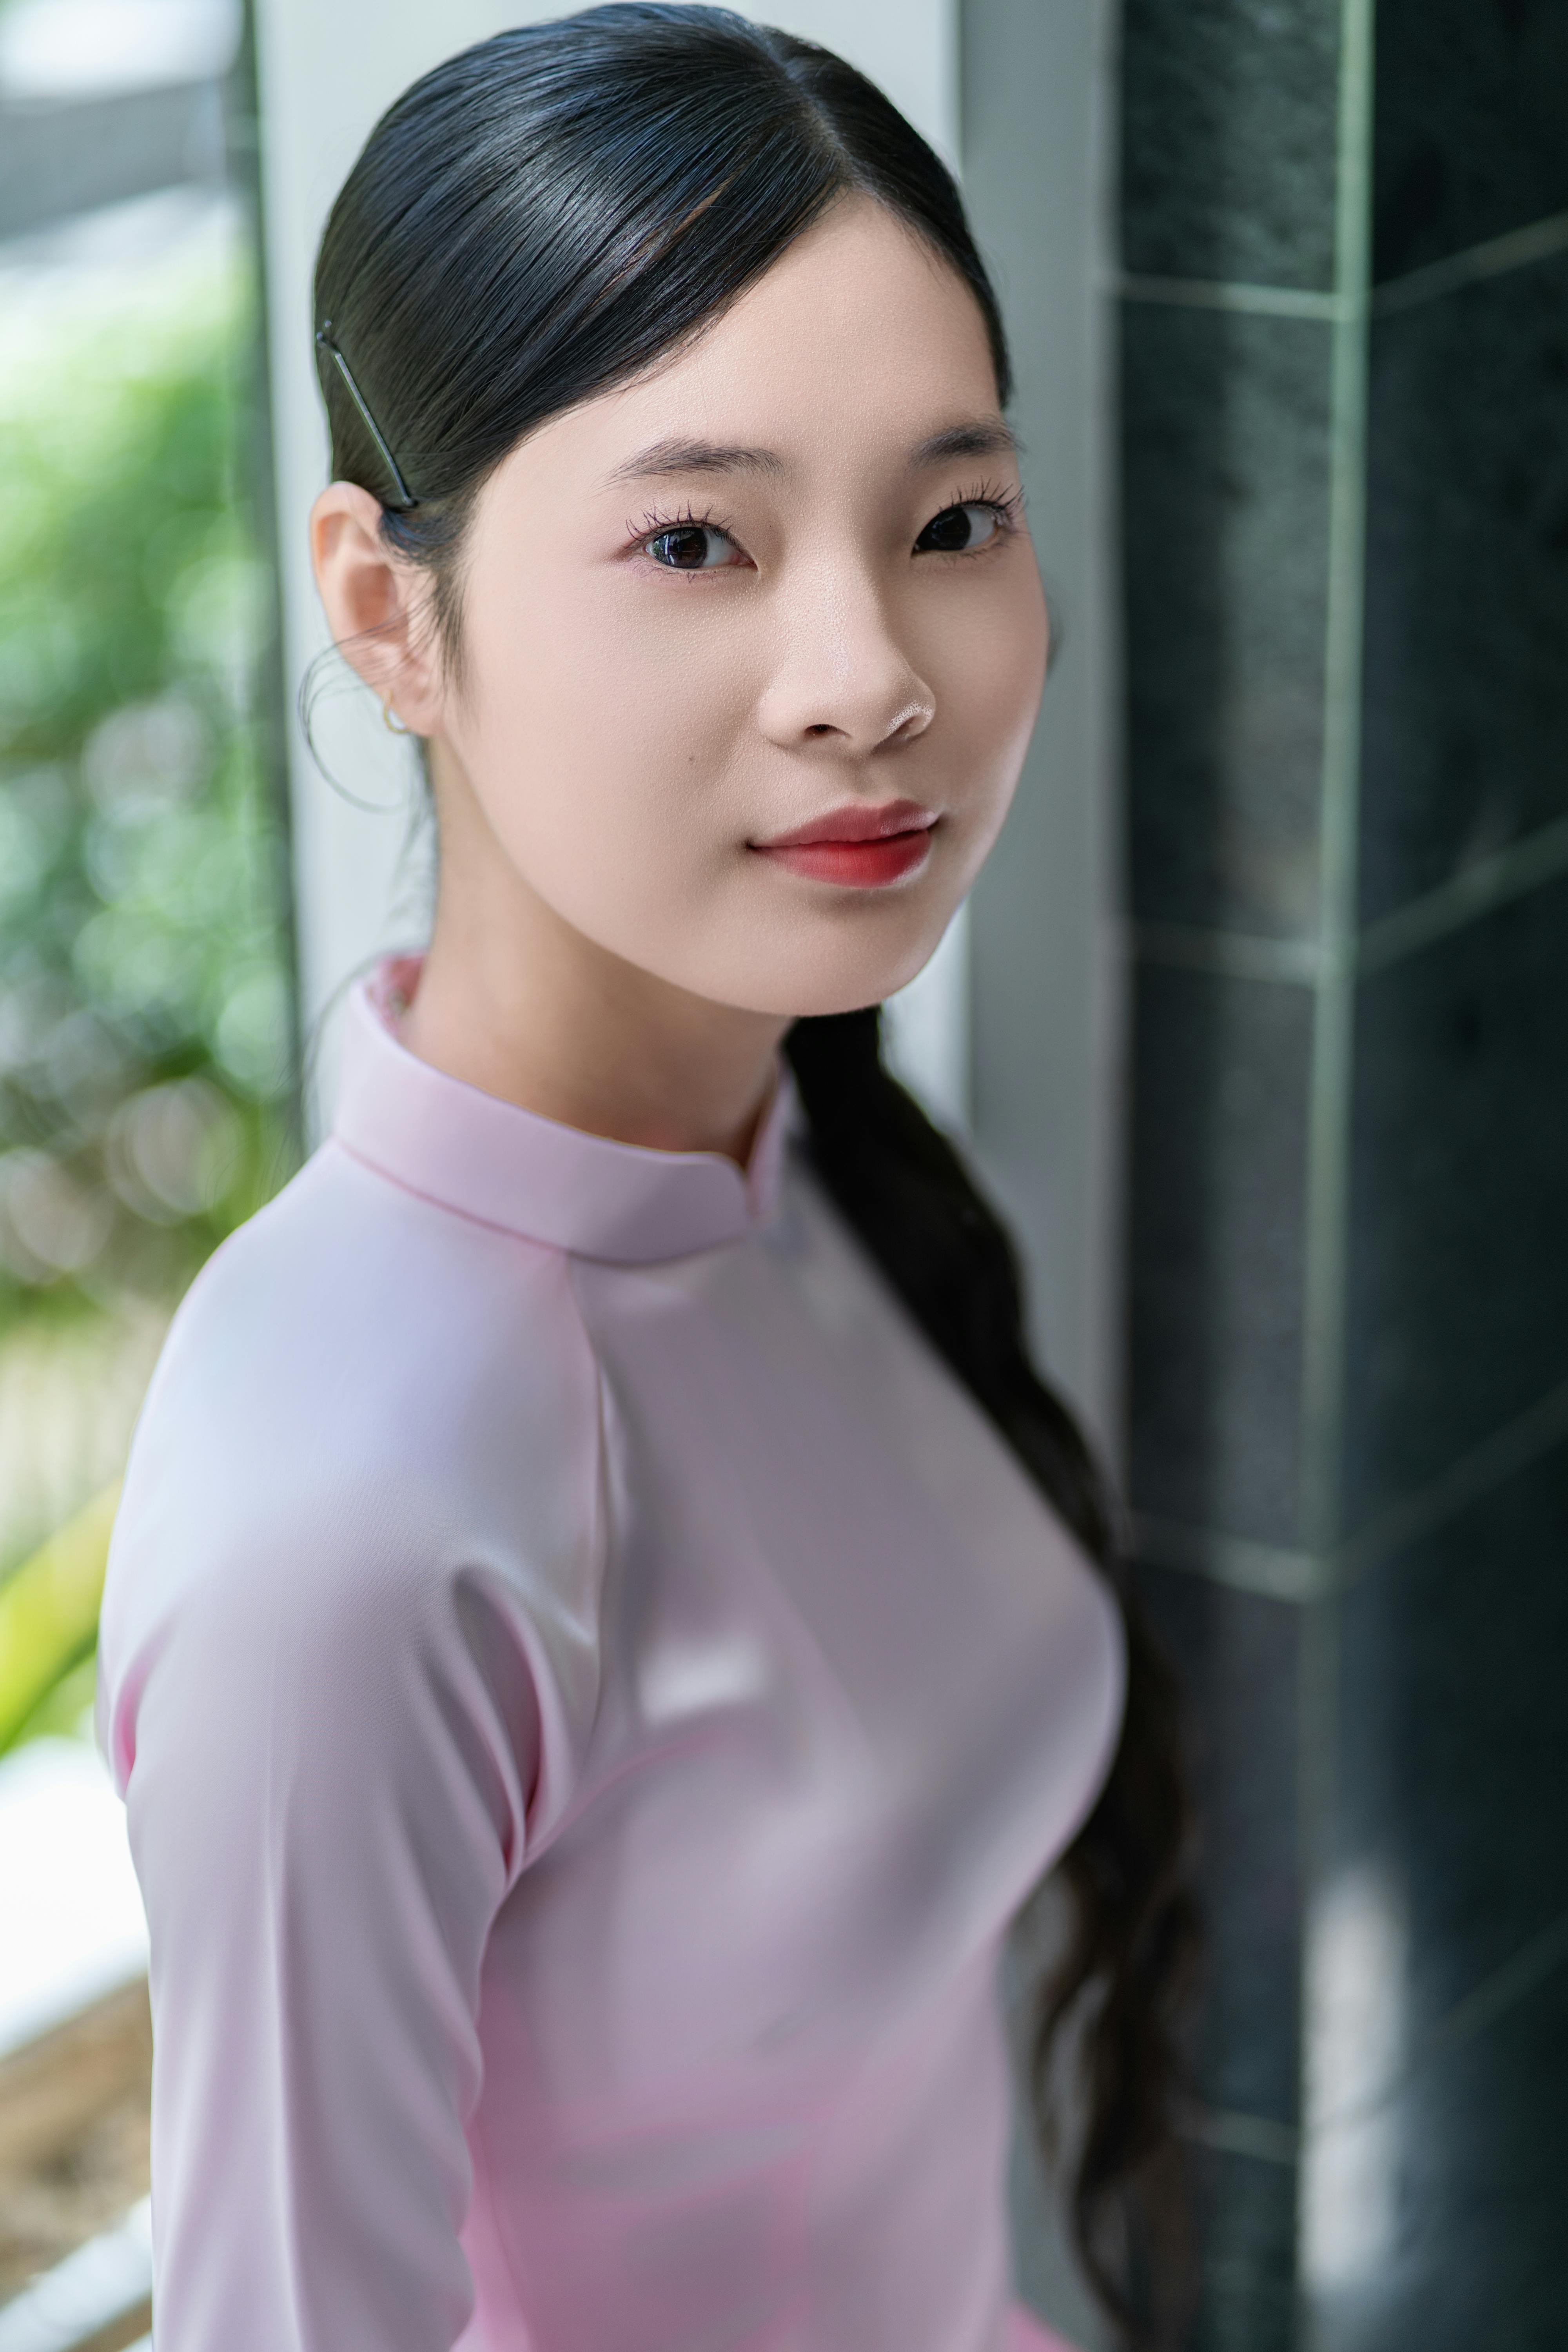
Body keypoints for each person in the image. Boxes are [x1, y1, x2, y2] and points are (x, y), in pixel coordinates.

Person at [98, 10, 1194, 2349]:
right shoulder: (351, 1519)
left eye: (953, 518)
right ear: (395, 612)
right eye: (696, 536)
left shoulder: (792, 1152)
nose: (870, 672)